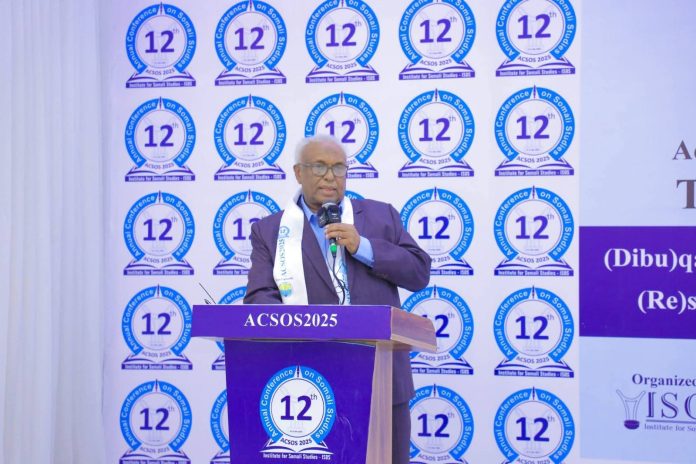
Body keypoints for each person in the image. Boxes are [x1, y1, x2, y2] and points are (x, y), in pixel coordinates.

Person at [244, 134, 431, 463]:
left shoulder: (381, 217)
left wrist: (364, 247)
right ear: (298, 172)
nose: (330, 176)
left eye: (339, 168)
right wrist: (307, 328)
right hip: (309, 380)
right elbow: (259, 299)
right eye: (319, 167)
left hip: (383, 380)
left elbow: (418, 272)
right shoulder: (270, 231)